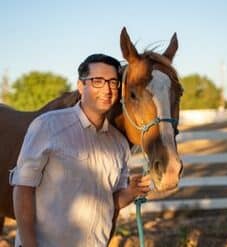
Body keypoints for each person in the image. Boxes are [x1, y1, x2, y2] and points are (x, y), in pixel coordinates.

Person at [10, 54, 151, 247]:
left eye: (112, 82)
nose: (107, 89)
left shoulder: (119, 144)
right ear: (80, 86)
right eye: (97, 81)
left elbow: (110, 201)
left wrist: (131, 191)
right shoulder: (48, 126)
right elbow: (23, 189)